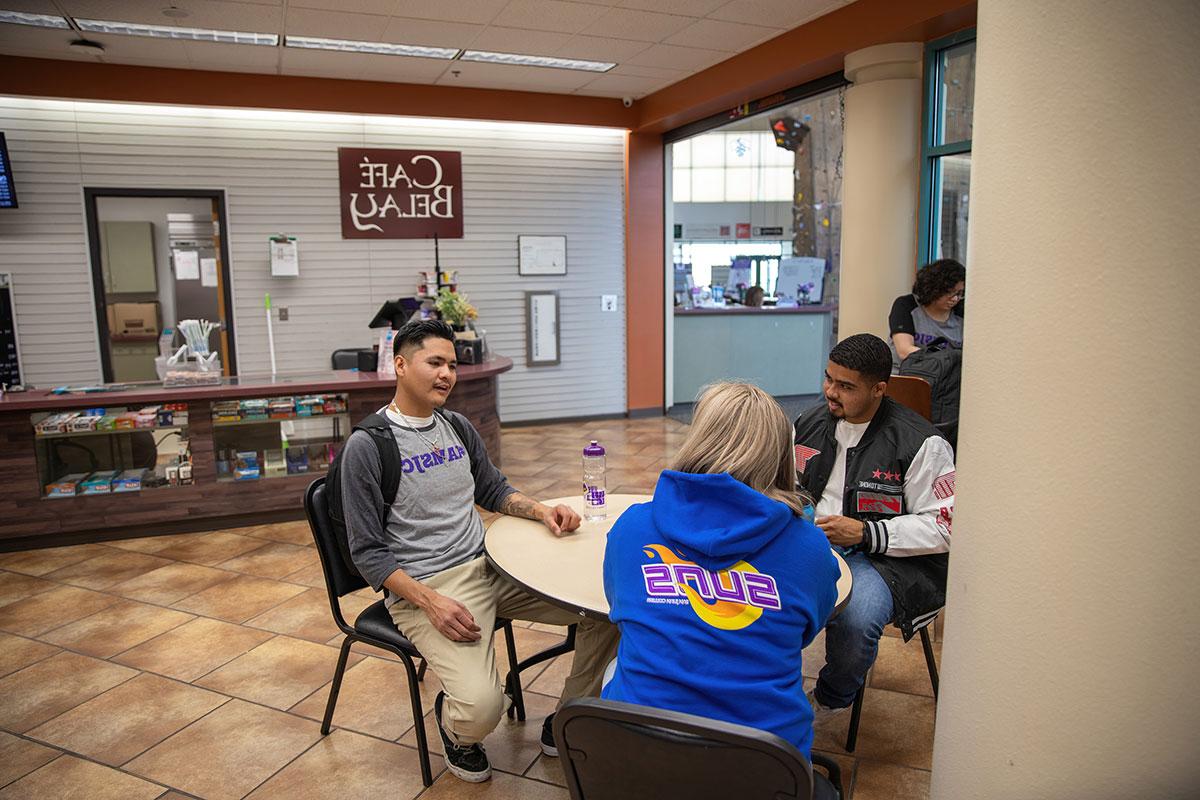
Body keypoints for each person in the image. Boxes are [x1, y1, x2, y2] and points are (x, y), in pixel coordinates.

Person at [339, 319, 619, 783]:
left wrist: (542, 510)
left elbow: (492, 489)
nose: (447, 373)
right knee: (482, 710)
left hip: (493, 567)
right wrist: (429, 602)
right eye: (435, 362)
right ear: (401, 364)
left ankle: (569, 716)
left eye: (452, 364)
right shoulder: (368, 448)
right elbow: (367, 552)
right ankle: (455, 728)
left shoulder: (456, 426)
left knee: (606, 610)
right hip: (428, 588)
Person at [601, 382, 839, 759]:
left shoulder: (631, 529)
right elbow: (808, 628)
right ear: (779, 455)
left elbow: (619, 607)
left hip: (641, 756)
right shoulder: (810, 547)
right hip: (765, 766)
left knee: (616, 665)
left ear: (699, 438)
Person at [793, 334, 954, 720]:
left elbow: (946, 527)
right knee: (755, 588)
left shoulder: (922, 444)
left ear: (879, 389)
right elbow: (789, 485)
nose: (831, 392)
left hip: (883, 559)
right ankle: (768, 686)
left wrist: (866, 533)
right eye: (828, 379)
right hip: (812, 542)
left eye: (846, 386)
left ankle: (831, 699)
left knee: (857, 618)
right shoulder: (811, 421)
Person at [888, 258, 965, 369]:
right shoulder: (906, 305)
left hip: (944, 380)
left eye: (959, 293)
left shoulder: (961, 315)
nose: (955, 299)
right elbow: (904, 350)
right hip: (905, 374)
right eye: (949, 292)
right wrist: (947, 359)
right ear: (934, 288)